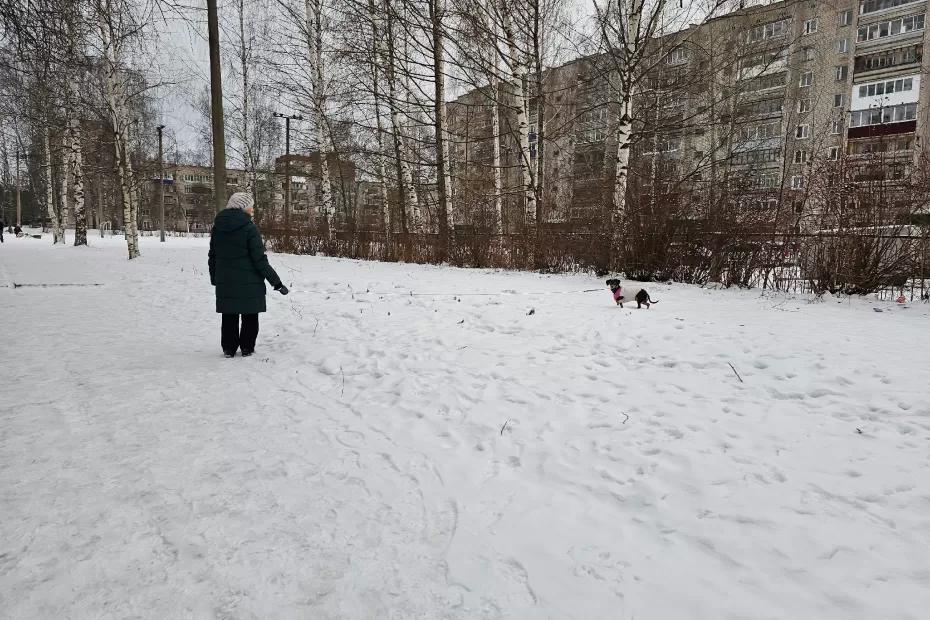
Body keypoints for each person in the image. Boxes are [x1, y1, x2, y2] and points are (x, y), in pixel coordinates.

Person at [208, 192, 288, 358]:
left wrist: (215, 278)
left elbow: (213, 255)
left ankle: (229, 349)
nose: (252, 210)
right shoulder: (249, 228)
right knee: (250, 314)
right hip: (249, 281)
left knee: (229, 315)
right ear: (243, 207)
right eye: (251, 206)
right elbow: (259, 260)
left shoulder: (218, 227)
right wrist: (277, 282)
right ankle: (246, 348)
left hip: (226, 281)